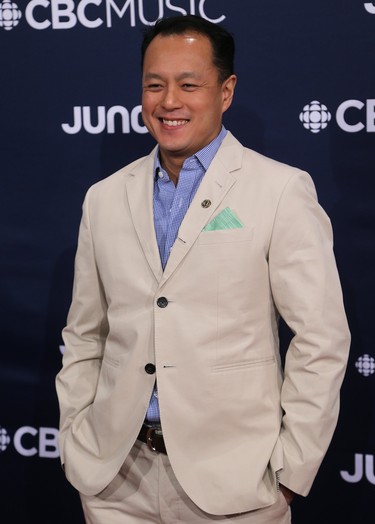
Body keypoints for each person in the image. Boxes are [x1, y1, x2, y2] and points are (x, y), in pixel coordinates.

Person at [56, 14, 350, 524]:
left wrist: (289, 473)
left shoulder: (280, 190)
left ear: (226, 91)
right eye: (155, 85)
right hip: (115, 483)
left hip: (235, 489)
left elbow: (320, 339)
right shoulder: (103, 198)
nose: (169, 101)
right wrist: (75, 438)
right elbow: (86, 333)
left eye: (189, 84)